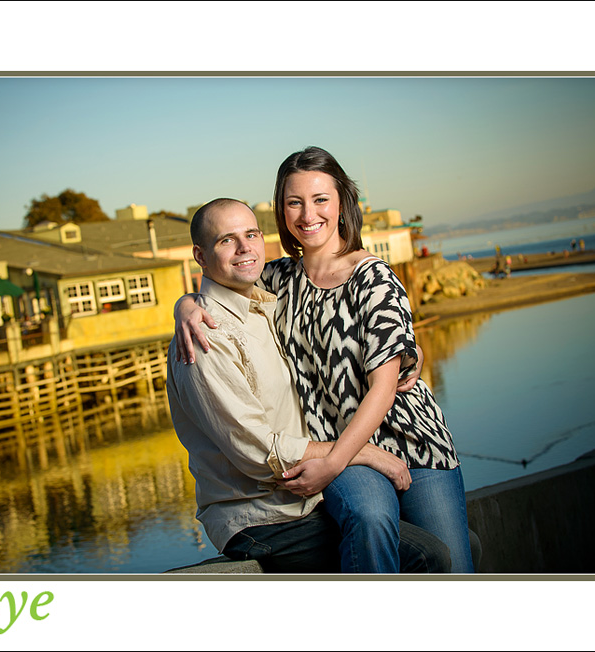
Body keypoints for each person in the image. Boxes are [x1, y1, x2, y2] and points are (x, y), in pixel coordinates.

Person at [176, 147, 475, 572]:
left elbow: (385, 385)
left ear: (341, 204)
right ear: (282, 210)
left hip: (411, 440)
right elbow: (223, 278)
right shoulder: (278, 279)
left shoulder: (373, 276)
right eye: (294, 202)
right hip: (341, 444)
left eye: (320, 200)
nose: (307, 214)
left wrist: (333, 461)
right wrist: (186, 305)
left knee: (455, 568)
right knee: (373, 523)